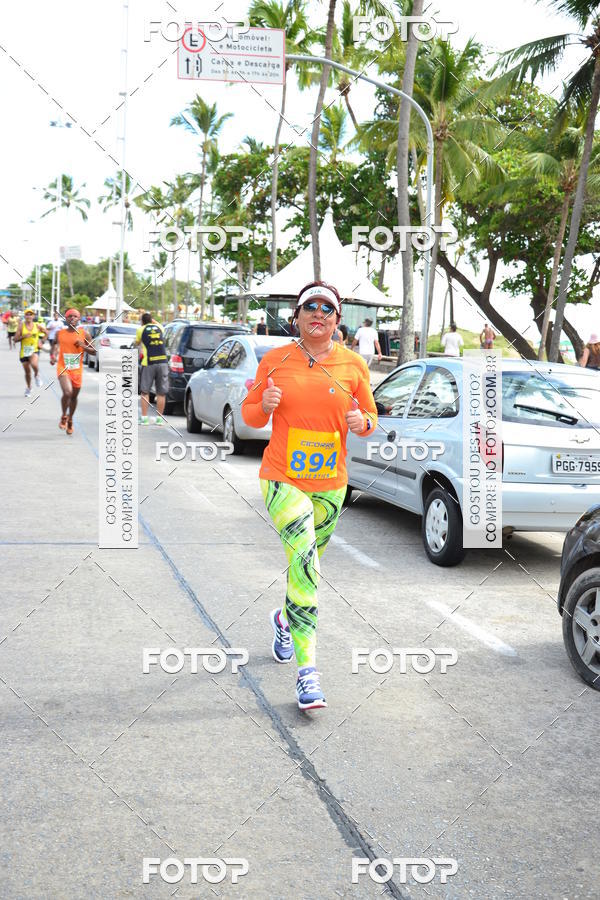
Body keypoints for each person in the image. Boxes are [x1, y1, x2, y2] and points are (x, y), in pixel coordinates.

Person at [242, 281, 377, 711]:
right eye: (309, 307)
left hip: (331, 484)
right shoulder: (275, 359)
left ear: (338, 321)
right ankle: (308, 673)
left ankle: (284, 620)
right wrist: (264, 403)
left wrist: (362, 423)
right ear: (296, 316)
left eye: (327, 309)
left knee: (307, 568)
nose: (318, 314)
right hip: (282, 478)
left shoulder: (354, 365)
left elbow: (371, 416)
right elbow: (249, 413)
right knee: (302, 560)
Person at [50, 308, 95, 435]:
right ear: (66, 318)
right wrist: (52, 356)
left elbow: (93, 351)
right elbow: (53, 344)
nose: (72, 318)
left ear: (79, 319)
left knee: (74, 397)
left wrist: (82, 344)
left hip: (77, 370)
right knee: (68, 392)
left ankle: (70, 419)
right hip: (63, 367)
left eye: (75, 316)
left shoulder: (84, 334)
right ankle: (64, 416)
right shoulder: (60, 333)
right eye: (70, 316)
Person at [135, 312, 169, 425]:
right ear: (152, 320)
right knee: (161, 393)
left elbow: (137, 342)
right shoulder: (160, 327)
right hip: (163, 362)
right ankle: (159, 419)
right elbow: (158, 324)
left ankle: (144, 419)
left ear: (142, 321)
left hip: (148, 362)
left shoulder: (141, 329)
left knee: (145, 391)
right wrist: (153, 321)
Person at [13, 309, 46, 396]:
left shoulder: (37, 326)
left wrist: (41, 342)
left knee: (34, 364)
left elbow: (47, 333)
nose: (28, 316)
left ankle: (37, 375)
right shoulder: (21, 326)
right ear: (25, 316)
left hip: (34, 350)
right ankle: (28, 387)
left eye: (30, 314)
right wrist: (23, 336)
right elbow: (15, 339)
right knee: (27, 372)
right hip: (24, 352)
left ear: (33, 316)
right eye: (27, 314)